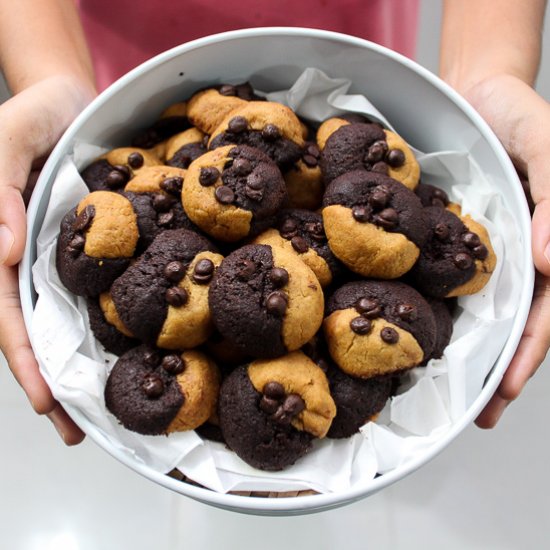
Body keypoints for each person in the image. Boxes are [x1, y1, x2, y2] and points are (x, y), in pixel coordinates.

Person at [0, 0, 548, 445]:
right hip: (132, 65)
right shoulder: (191, 211)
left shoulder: (346, 220)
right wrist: (48, 77)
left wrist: (486, 80)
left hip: (351, 35)